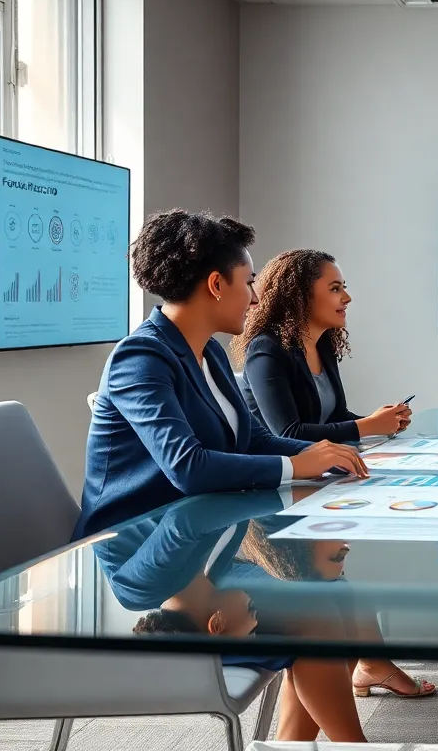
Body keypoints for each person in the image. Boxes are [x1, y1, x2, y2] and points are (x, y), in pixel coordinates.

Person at [75, 210, 368, 540]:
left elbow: (255, 440)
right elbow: (188, 467)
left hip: (195, 531)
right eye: (248, 283)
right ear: (216, 284)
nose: (256, 298)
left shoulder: (211, 352)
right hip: (129, 545)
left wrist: (321, 454)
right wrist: (298, 466)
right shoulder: (140, 357)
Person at [98, 491, 369, 743]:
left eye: (252, 627)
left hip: (170, 515)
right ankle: (350, 745)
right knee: (318, 612)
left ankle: (332, 746)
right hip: (191, 539)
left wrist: (283, 493)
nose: (256, 622)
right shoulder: (195, 574)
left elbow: (187, 517)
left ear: (218, 623)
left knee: (327, 600)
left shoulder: (141, 585)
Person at [234, 515, 437, 699]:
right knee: (324, 609)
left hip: (244, 546)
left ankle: (372, 665)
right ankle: (371, 669)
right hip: (222, 584)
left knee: (337, 597)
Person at [236, 249, 411, 443]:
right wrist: (370, 425)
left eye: (343, 287)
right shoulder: (266, 349)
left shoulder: (323, 345)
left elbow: (337, 418)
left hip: (320, 464)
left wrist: (382, 422)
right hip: (285, 468)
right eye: (335, 289)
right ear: (299, 295)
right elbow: (289, 434)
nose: (347, 298)